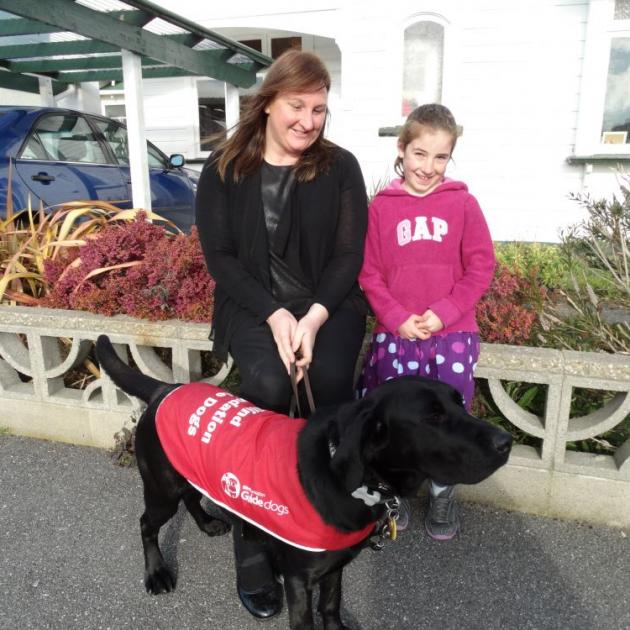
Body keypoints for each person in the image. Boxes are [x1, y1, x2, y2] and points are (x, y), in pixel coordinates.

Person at [195, 50, 368, 619]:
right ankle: (251, 543)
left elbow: (348, 256)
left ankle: (319, 520)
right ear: (268, 102)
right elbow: (220, 257)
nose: (308, 121)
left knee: (331, 385)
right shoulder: (224, 168)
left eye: (319, 109)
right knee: (269, 389)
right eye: (297, 106)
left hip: (328, 303)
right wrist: (274, 314)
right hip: (253, 304)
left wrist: (314, 316)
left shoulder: (340, 166)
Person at [357, 103, 495, 541]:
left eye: (440, 157)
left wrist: (444, 313)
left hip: (451, 336)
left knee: (448, 418)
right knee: (400, 420)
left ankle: (441, 489)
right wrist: (397, 318)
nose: (428, 167)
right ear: (402, 149)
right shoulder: (381, 208)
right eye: (420, 154)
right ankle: (397, 490)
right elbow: (369, 273)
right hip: (397, 336)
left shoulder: (464, 203)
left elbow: (481, 267)